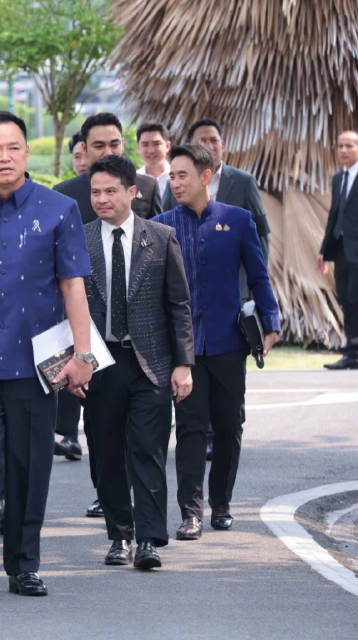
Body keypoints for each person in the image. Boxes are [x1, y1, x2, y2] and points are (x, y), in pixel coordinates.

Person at [0, 111, 94, 599]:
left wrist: (84, 354)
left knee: (29, 462)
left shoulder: (58, 208)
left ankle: (24, 564)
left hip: (36, 365)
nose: (4, 158)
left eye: (13, 148)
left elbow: (73, 286)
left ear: (26, 152)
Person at [154, 144, 280, 541]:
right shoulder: (162, 226)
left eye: (182, 175)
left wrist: (271, 321)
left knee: (228, 426)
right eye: (172, 176)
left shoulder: (238, 220)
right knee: (190, 428)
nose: (175, 182)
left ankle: (221, 504)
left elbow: (258, 276)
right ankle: (191, 513)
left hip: (228, 343)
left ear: (206, 176)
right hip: (183, 347)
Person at [81, 154, 194, 569]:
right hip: (100, 364)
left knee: (147, 451)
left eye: (111, 190)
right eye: (95, 191)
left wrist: (183, 364)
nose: (102, 198)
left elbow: (179, 305)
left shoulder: (161, 238)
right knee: (106, 452)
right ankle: (119, 535)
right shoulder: (79, 239)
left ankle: (148, 539)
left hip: (151, 364)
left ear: (132, 191)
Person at [53, 113, 162, 517]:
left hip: (144, 336)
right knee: (101, 434)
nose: (109, 151)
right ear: (84, 149)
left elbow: (161, 246)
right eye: (99, 146)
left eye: (115, 144)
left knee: (144, 436)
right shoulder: (65, 197)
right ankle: (109, 496)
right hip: (94, 338)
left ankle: (144, 519)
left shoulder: (147, 186)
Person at [161, 119, 270, 260]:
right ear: (190, 147)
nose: (209, 146)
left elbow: (260, 234)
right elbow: (162, 231)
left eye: (214, 140)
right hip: (186, 275)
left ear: (222, 145)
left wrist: (255, 278)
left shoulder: (245, 182)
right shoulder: (175, 185)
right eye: (202, 141)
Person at [317, 131, 358, 370]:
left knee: (356, 299)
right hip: (342, 250)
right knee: (346, 300)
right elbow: (334, 215)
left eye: (350, 145)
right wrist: (324, 250)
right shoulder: (338, 178)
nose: (344, 150)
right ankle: (351, 353)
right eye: (340, 145)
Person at [136, 123, 172, 201]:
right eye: (145, 145)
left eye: (156, 144)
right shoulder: (133, 180)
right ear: (138, 148)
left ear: (167, 146)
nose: (151, 150)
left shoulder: (177, 178)